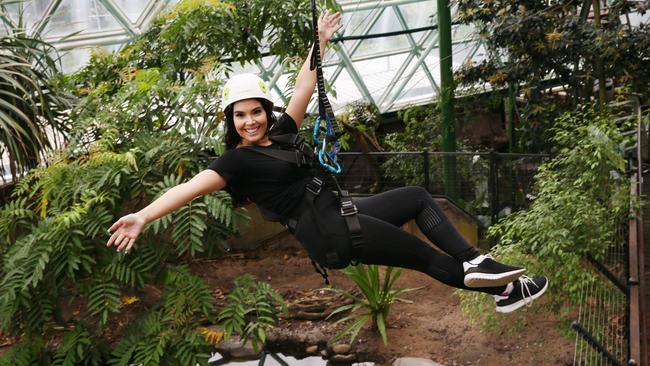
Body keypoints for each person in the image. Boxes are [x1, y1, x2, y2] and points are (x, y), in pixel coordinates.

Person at [106, 10, 548, 314]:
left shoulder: (281, 133)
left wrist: (318, 43)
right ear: (231, 120)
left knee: (415, 197)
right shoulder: (234, 164)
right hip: (327, 229)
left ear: (265, 110)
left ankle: (483, 270)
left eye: (255, 111)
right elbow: (186, 189)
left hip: (339, 211)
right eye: (240, 115)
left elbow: (301, 90)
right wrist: (143, 217)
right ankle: (503, 287)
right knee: (419, 255)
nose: (250, 121)